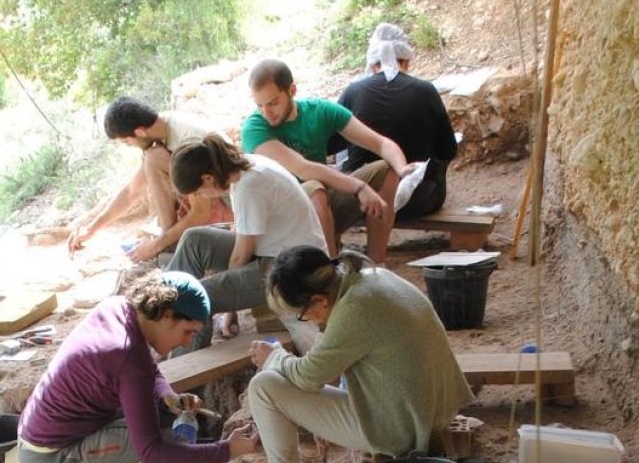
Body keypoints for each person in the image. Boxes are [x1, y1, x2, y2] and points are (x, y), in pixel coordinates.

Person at [17, 271, 259, 463]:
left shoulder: (119, 309)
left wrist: (168, 396)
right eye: (188, 331)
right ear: (166, 315)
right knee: (173, 439)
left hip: (49, 432)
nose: (187, 342)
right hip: (52, 459)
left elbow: (150, 369)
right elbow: (153, 452)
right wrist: (227, 450)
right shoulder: (126, 356)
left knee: (168, 417)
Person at [238, 245, 473, 463]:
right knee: (283, 378)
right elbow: (350, 363)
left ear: (320, 300)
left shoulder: (354, 310)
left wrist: (274, 356)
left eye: (301, 314)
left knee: (263, 386)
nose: (307, 321)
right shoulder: (372, 277)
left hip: (405, 429)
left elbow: (305, 376)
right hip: (432, 408)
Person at [241, 59, 419, 263]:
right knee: (315, 189)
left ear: (292, 90)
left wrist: (402, 168)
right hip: (283, 217)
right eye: (259, 105)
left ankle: (377, 265)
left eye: (273, 103)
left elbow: (381, 144)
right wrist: (359, 186)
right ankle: (330, 271)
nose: (266, 113)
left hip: (325, 205)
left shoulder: (319, 111)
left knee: (387, 171)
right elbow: (303, 169)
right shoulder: (253, 128)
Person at [165, 134, 327, 344]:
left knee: (196, 295)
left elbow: (241, 255)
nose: (202, 196)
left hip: (293, 269)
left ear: (207, 178)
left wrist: (230, 307)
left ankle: (184, 363)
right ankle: (163, 306)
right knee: (194, 240)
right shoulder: (243, 168)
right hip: (273, 250)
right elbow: (242, 237)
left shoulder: (249, 185)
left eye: (199, 192)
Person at [67, 97, 232, 262]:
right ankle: (168, 238)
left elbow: (201, 212)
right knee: (152, 159)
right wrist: (91, 229)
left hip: (228, 208)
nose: (128, 146)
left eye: (127, 142)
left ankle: (167, 242)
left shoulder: (185, 140)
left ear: (139, 131)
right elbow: (133, 190)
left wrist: (155, 246)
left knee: (153, 159)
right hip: (209, 201)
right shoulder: (159, 130)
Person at [335, 23, 458, 218]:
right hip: (416, 200)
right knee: (434, 160)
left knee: (345, 148)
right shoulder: (425, 90)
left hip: (363, 201)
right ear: (406, 62)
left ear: (373, 64)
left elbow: (333, 143)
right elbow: (448, 149)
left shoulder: (353, 91)